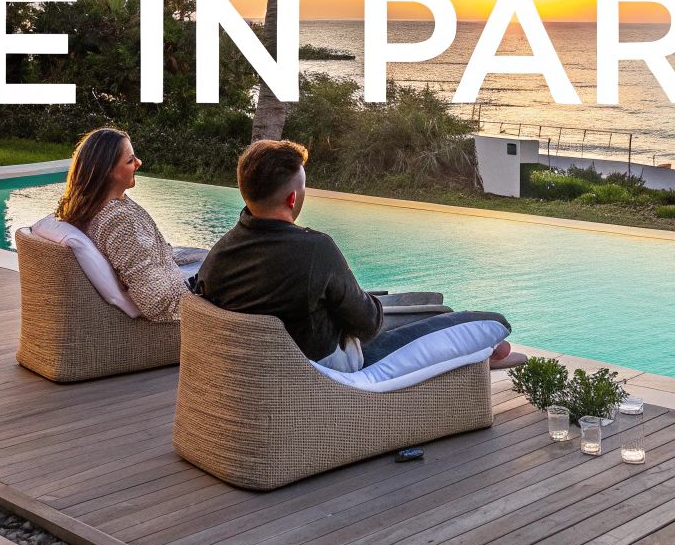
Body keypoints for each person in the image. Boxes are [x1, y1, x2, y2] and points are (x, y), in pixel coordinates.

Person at [193, 139, 524, 372]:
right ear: (293, 199)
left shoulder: (222, 252)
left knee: (417, 304)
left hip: (271, 358)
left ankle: (471, 346)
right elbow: (368, 325)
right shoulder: (315, 249)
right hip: (326, 363)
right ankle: (484, 353)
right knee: (455, 316)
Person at [51, 127, 204, 322]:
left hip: (171, 274)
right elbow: (155, 300)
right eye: (130, 161)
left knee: (211, 258)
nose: (139, 163)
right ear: (108, 171)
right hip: (181, 303)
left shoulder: (100, 206)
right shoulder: (118, 222)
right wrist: (205, 299)